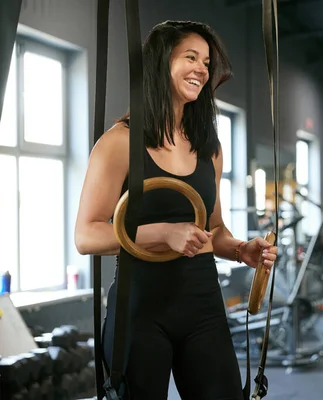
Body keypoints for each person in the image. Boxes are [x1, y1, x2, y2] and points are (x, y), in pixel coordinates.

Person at [74, 20, 278, 400]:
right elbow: (86, 234)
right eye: (190, 57)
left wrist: (239, 250)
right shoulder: (119, 143)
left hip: (202, 303)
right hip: (139, 308)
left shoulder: (209, 147)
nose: (202, 68)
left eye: (206, 61)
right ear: (160, 63)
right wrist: (162, 233)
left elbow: (213, 229)